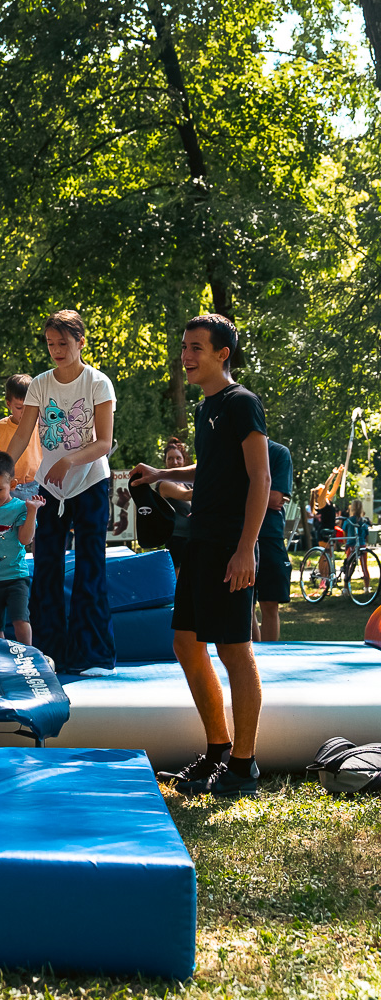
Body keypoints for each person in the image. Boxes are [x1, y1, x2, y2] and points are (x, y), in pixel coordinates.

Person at [132, 313, 270, 798]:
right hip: (201, 544)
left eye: (196, 348)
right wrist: (158, 476)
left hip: (232, 546)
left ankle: (244, 764)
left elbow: (261, 478)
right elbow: (213, 467)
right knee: (186, 644)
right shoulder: (208, 409)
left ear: (221, 355)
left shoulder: (240, 403)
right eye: (184, 347)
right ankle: (217, 749)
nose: (186, 356)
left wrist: (246, 549)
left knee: (235, 650)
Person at [6, 309, 117, 675]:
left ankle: (94, 655)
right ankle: (49, 651)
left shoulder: (98, 383)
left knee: (90, 567)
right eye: (50, 343)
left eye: (63, 343)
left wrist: (69, 460)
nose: (56, 349)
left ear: (80, 342)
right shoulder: (40, 383)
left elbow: (103, 442)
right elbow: (22, 435)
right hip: (49, 488)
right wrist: (2, 470)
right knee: (47, 566)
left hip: (90, 483)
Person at [0, 450, 44, 643]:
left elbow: (25, 539)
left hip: (15, 577)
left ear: (12, 485)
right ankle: (1, 658)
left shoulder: (21, 507)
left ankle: (29, 654)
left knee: (20, 619)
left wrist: (32, 512)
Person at [251, 440, 293, 643]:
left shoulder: (278, 452)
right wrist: (261, 494)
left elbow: (276, 498)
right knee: (244, 606)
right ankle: (254, 658)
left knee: (269, 604)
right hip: (237, 534)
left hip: (269, 536)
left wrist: (236, 493)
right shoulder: (234, 450)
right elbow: (271, 498)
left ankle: (269, 659)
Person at [0, 374, 43, 496]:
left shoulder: (41, 426)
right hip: (10, 488)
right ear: (8, 404)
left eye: (29, 407)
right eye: (19, 407)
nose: (25, 412)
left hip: (38, 485)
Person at [157, 438, 193, 574]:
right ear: (165, 462)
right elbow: (185, 495)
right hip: (176, 539)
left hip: (192, 537)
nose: (175, 462)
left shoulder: (188, 483)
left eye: (178, 458)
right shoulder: (164, 483)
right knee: (178, 582)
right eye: (170, 459)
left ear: (184, 460)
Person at [343, 498, 372, 590]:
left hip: (351, 545)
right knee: (364, 567)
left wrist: (346, 544)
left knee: (349, 567)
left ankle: (346, 588)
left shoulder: (348, 521)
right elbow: (367, 535)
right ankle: (367, 587)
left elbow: (345, 534)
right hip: (362, 545)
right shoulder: (364, 521)